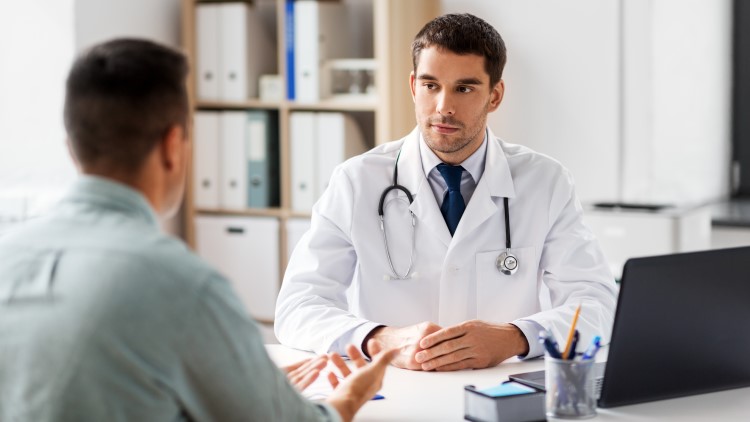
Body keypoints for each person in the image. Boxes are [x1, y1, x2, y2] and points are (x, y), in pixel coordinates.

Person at [0, 38, 396, 422]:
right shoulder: (181, 284)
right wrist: (346, 398)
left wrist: (252, 394)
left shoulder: (8, 253)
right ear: (174, 145)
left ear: (71, 147)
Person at [275, 13, 618, 371]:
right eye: (430, 85)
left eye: (464, 88)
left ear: (495, 95)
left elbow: (596, 303)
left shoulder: (545, 181)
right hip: (395, 389)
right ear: (413, 86)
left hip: (500, 387)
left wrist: (515, 336)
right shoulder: (356, 181)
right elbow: (298, 307)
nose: (443, 107)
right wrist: (380, 339)